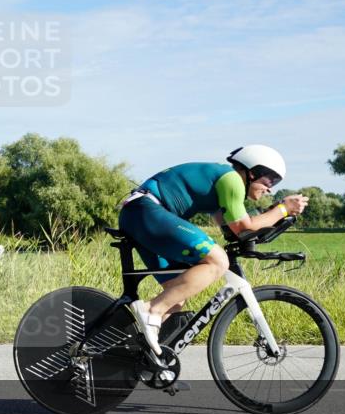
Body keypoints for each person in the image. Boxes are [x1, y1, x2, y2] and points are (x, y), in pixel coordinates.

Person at [117, 145, 308, 366]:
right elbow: (243, 226)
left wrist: (274, 218)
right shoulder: (232, 180)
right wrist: (283, 210)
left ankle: (131, 357)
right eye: (269, 182)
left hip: (140, 214)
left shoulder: (224, 188)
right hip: (146, 211)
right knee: (217, 261)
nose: (270, 190)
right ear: (252, 172)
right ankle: (151, 310)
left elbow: (235, 233)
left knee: (177, 294)